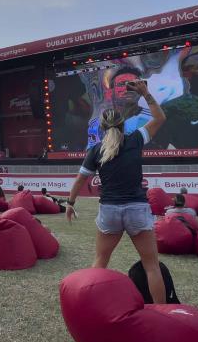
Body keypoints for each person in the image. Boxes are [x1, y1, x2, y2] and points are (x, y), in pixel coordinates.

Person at [66, 80, 168, 303]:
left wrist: (70, 203)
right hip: (137, 209)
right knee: (152, 266)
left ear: (102, 128)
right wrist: (146, 93)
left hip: (110, 210)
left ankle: (88, 307)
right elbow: (160, 118)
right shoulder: (136, 139)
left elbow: (79, 180)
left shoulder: (95, 150)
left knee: (100, 262)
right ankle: (163, 314)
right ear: (124, 125)